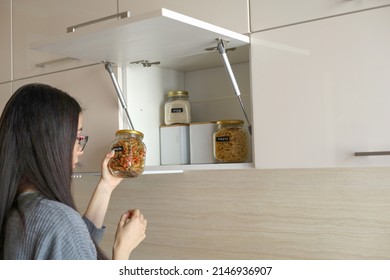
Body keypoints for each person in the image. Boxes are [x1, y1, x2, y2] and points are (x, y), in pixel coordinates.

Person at [0, 83, 147, 260]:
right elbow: (67, 236)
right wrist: (122, 248)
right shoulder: (59, 221)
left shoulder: (19, 206)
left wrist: (106, 186)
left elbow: (71, 247)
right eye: (77, 137)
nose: (80, 149)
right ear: (51, 143)